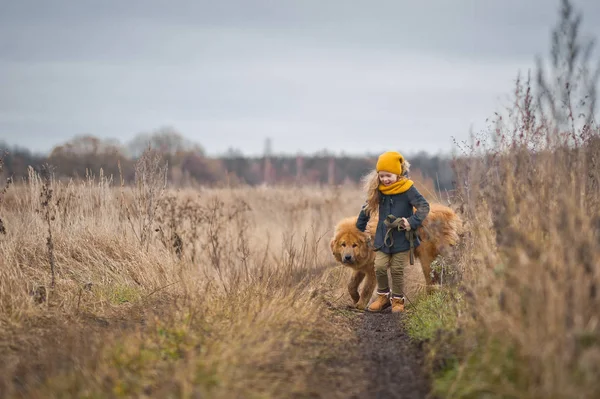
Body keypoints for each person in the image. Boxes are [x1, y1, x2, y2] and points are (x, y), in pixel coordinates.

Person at [356, 151, 430, 313]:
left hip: (402, 237)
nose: (385, 180)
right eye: (382, 176)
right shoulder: (379, 190)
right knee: (380, 266)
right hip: (383, 237)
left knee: (397, 269)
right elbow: (367, 208)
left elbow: (424, 206)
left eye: (388, 176)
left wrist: (411, 221)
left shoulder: (408, 189)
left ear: (398, 174)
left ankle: (397, 300)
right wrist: (360, 227)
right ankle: (383, 298)